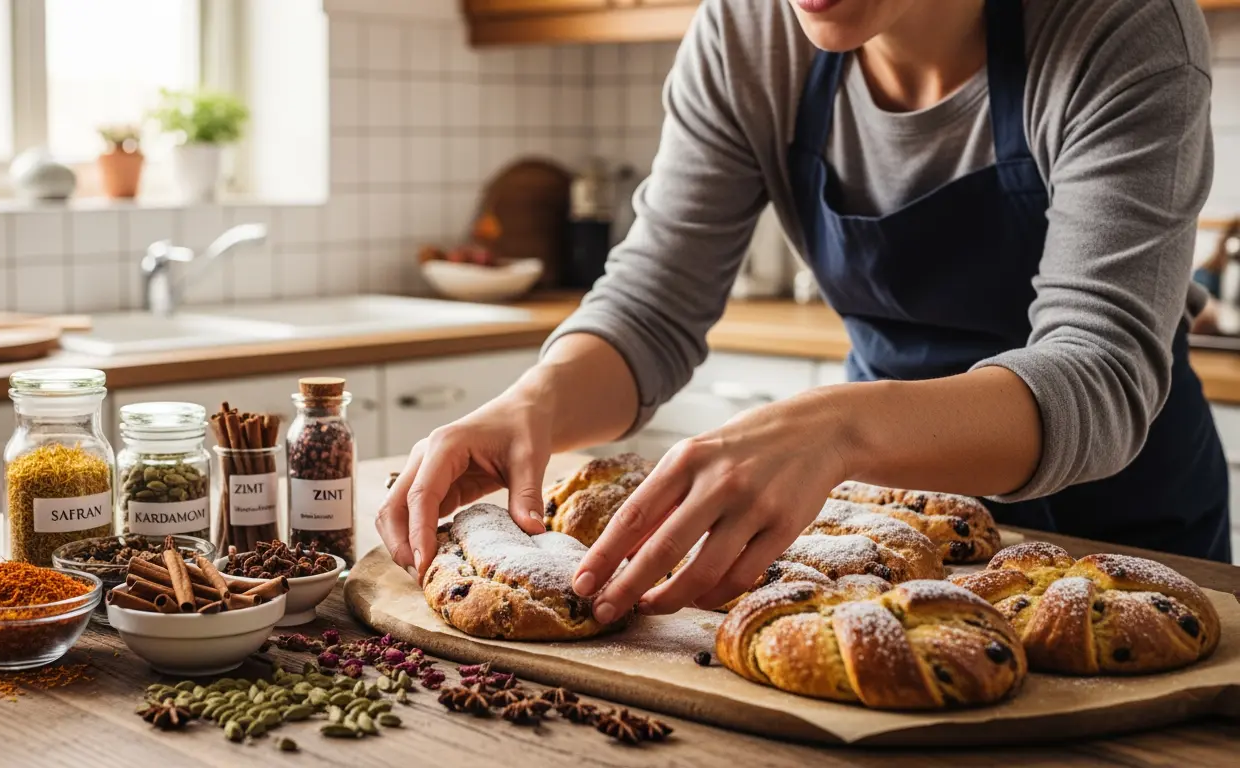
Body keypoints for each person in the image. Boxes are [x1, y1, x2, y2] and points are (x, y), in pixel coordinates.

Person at [377, 0, 1229, 627]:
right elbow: (650, 304)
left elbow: (1099, 373)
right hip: (884, 529)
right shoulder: (746, 33)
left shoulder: (1121, 23)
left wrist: (836, 429)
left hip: (1119, 551)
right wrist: (539, 401)